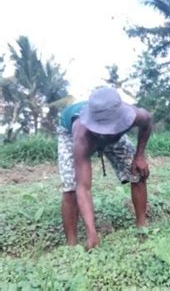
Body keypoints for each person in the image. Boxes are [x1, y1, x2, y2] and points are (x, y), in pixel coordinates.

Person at [58, 86, 153, 250]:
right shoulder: (81, 135)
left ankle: (142, 225)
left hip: (110, 131)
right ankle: (71, 245)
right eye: (101, 129)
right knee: (71, 187)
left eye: (110, 128)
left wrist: (139, 156)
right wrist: (91, 232)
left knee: (137, 172)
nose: (105, 134)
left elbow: (148, 121)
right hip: (70, 133)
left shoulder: (136, 115)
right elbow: (83, 187)